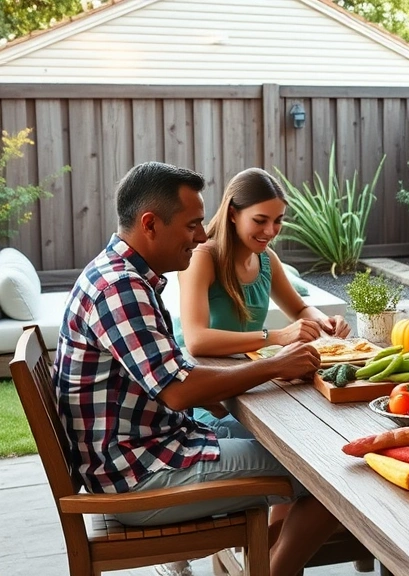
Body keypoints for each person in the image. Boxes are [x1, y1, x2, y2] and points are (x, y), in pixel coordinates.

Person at [54, 161, 340, 576]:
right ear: (150, 224)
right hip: (140, 476)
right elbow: (180, 389)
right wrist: (274, 362)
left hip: (151, 449)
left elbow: (171, 375)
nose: (202, 235)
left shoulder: (124, 276)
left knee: (298, 441)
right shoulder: (121, 288)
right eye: (192, 225)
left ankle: (266, 558)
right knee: (324, 470)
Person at [174, 167, 350, 439]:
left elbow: (299, 308)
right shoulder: (203, 258)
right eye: (260, 220)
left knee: (320, 427)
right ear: (233, 213)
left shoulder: (267, 259)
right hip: (212, 401)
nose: (270, 231)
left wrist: (323, 322)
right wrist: (277, 337)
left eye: (278, 220)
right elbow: (196, 340)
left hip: (253, 382)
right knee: (299, 439)